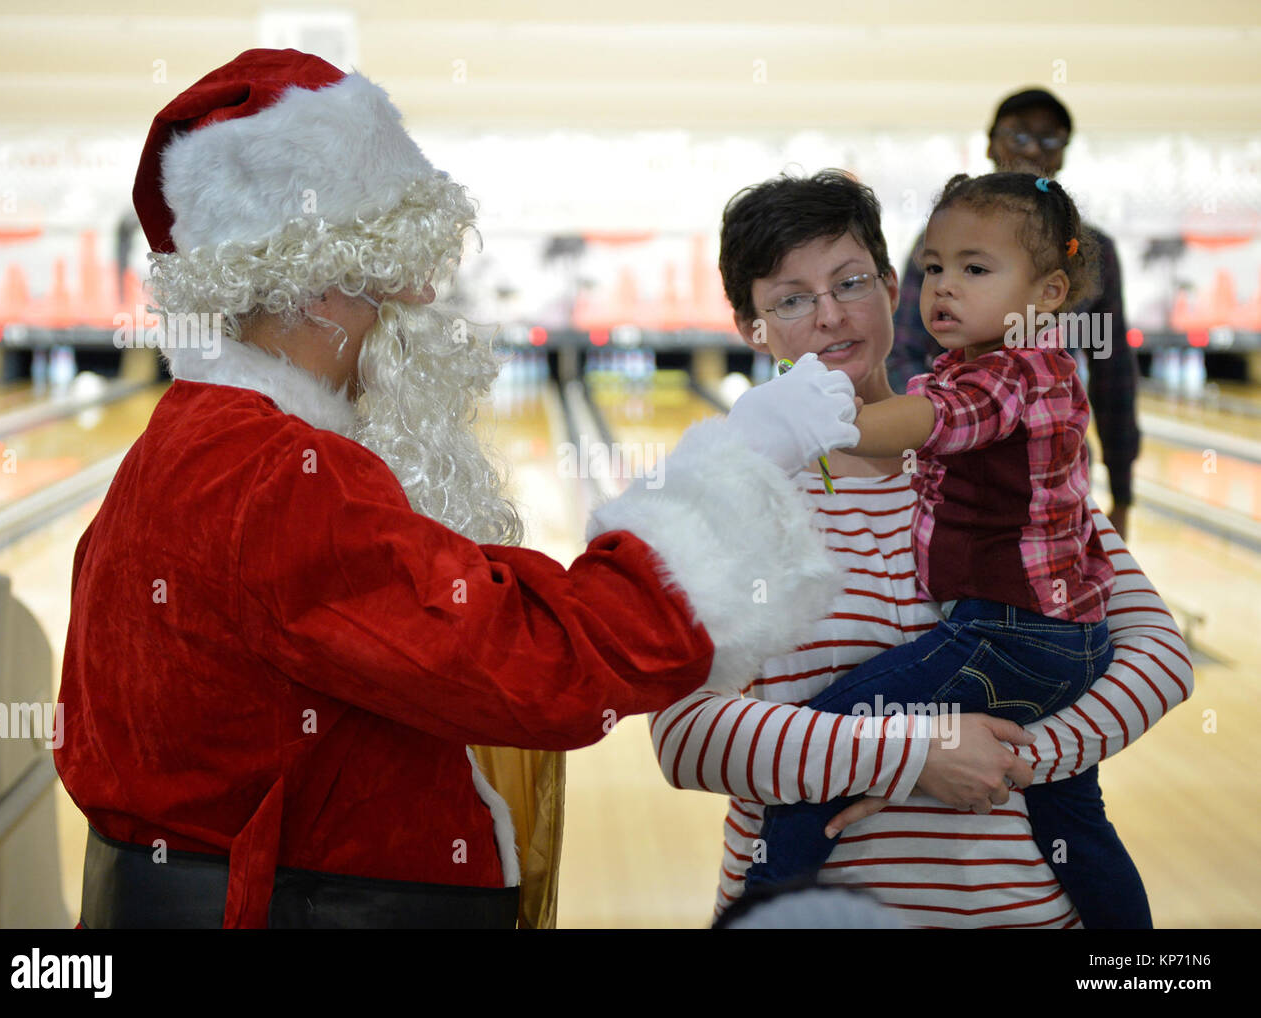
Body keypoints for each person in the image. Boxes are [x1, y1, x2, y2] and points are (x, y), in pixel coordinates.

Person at [53, 48, 873, 929]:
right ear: (321, 286)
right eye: (401, 275)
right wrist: (744, 456)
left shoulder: (193, 442)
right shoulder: (278, 478)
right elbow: (547, 669)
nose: (428, 294)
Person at [649, 169, 1192, 928]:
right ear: (753, 327)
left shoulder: (1008, 462)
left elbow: (1161, 659)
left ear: (894, 286)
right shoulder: (727, 496)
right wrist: (917, 754)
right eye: (792, 300)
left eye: (850, 282)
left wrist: (1012, 758)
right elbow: (687, 737)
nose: (832, 317)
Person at [888, 87, 1140, 539]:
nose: (1032, 150)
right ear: (990, 144)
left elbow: (1113, 373)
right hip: (949, 460)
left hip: (1048, 472)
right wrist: (936, 427)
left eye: (1049, 139)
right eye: (1018, 135)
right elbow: (902, 351)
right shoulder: (940, 242)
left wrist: (1123, 494)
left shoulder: (1091, 253)